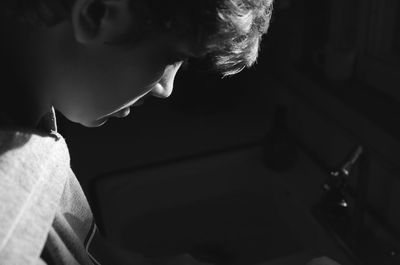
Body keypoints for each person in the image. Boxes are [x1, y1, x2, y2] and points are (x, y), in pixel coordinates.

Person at [0, 0, 340, 264]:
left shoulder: (28, 117)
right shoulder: (13, 198)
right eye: (172, 56)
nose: (167, 88)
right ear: (98, 12)